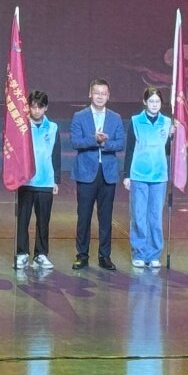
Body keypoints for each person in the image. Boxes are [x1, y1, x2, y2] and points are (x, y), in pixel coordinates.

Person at [69, 78, 126, 270]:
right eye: (96, 93)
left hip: (107, 173)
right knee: (84, 216)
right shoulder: (79, 116)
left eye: (103, 93)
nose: (100, 96)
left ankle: (104, 256)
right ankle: (82, 255)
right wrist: (94, 140)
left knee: (106, 217)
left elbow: (120, 143)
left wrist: (104, 143)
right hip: (86, 172)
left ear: (108, 96)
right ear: (90, 94)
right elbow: (75, 142)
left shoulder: (115, 117)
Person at [123, 86, 173, 269]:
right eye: (151, 101)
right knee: (138, 215)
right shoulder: (136, 121)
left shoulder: (167, 123)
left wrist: (173, 137)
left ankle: (153, 254)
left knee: (155, 217)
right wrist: (127, 175)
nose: (154, 104)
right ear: (145, 102)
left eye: (157, 101)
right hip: (139, 175)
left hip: (159, 176)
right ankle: (139, 252)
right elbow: (130, 149)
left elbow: (167, 150)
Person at [14, 89, 61, 271]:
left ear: (45, 108)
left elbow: (56, 155)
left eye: (40, 107)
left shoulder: (53, 127)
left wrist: (56, 180)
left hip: (46, 180)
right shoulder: (22, 127)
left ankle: (41, 254)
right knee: (23, 220)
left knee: (43, 221)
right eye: (33, 107)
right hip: (26, 181)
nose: (36, 111)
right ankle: (22, 253)